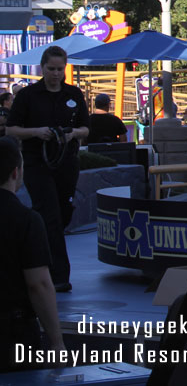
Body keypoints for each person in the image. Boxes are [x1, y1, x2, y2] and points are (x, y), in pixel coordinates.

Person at [6, 46, 89, 293]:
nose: (55, 74)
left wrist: (72, 133)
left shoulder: (74, 94)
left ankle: (43, 262)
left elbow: (86, 128)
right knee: (49, 214)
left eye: (59, 69)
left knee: (62, 213)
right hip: (36, 161)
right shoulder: (28, 95)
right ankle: (58, 276)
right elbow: (11, 129)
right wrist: (36, 132)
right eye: (51, 69)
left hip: (66, 160)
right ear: (42, 68)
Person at [0, 136, 66, 370]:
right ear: (16, 172)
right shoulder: (26, 220)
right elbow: (38, 284)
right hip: (12, 333)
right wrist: (57, 342)